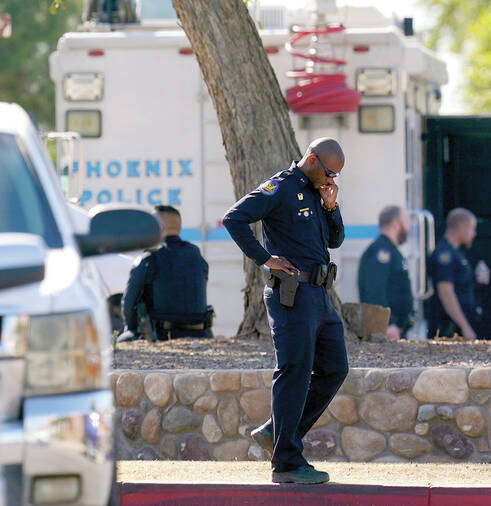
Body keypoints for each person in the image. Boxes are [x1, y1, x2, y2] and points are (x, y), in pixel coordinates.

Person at [222, 138, 348, 485]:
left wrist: (331, 207)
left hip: (319, 295)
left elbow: (335, 241)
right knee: (295, 371)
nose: (331, 180)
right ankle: (286, 462)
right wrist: (265, 258)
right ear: (312, 160)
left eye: (335, 176)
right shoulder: (280, 187)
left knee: (335, 368)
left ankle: (275, 433)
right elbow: (234, 219)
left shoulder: (319, 192)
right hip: (291, 294)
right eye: (329, 172)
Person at [118, 205, 211, 342]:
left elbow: (129, 304)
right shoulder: (197, 256)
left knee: (122, 341)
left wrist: (131, 329)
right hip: (200, 334)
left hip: (161, 335)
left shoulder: (149, 258)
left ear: (160, 227)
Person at [357, 205, 413, 341]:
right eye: (407, 222)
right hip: (385, 331)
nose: (409, 228)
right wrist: (388, 323)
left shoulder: (391, 251)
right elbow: (374, 290)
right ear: (395, 224)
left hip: (395, 330)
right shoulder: (381, 251)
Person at [428, 208, 483, 341]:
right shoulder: (444, 255)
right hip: (448, 328)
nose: (474, 234)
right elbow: (446, 293)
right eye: (472, 229)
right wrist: (465, 327)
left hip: (457, 325)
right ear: (461, 228)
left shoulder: (457, 253)